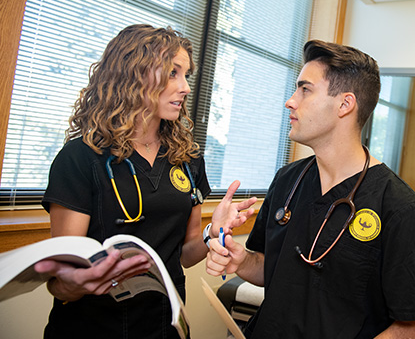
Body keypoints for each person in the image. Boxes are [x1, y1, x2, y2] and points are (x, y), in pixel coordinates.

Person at [33, 24, 256, 339]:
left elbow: (183, 254)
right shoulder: (81, 158)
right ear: (134, 75)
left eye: (186, 75)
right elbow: (60, 281)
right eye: (172, 73)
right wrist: (73, 283)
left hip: (164, 325)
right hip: (92, 327)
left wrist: (212, 234)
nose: (185, 87)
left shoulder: (187, 159)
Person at [206, 40, 415, 338]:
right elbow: (271, 268)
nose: (290, 101)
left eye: (305, 89)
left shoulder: (400, 208)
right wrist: (241, 260)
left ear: (345, 104)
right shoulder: (288, 180)